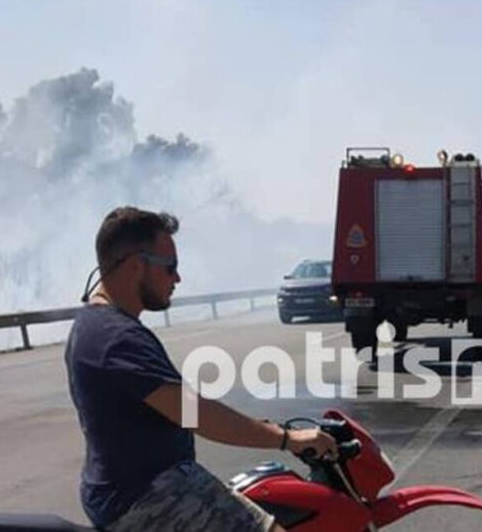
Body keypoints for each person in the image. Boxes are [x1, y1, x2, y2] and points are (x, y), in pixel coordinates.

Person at [65, 206, 336, 531]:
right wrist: (286, 438)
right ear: (136, 265)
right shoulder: (116, 337)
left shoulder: (93, 323)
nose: (177, 278)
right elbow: (195, 414)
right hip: (147, 496)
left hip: (130, 488)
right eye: (170, 267)